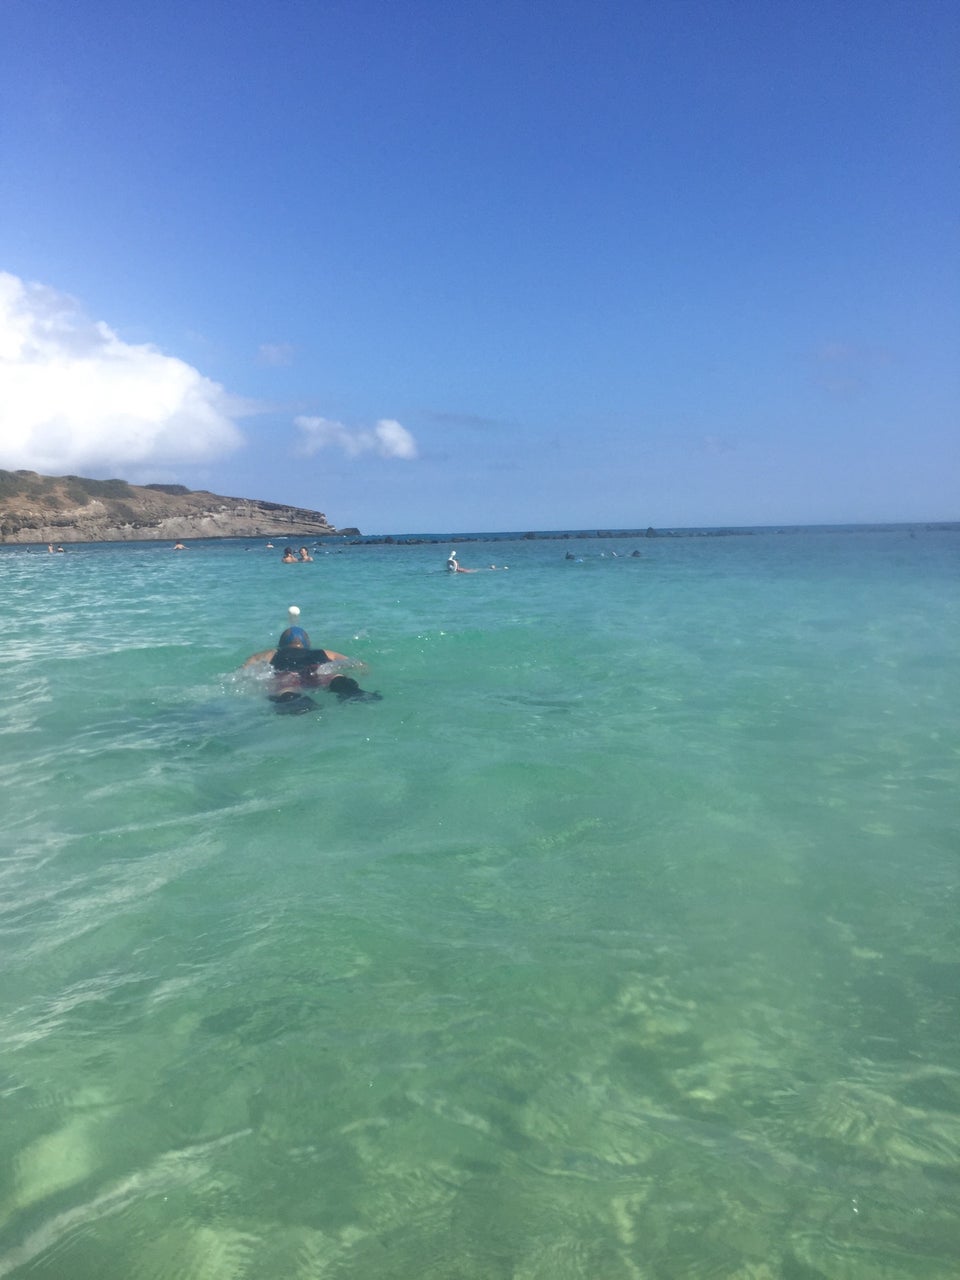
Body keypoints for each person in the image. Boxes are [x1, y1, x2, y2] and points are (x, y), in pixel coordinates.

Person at [242, 607, 380, 713]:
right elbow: (356, 663)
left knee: (286, 688)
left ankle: (293, 700)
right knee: (335, 677)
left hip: (288, 675)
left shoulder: (272, 653)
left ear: (281, 644)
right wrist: (364, 670)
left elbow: (249, 664)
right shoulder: (323, 652)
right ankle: (350, 691)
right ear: (307, 643)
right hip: (315, 671)